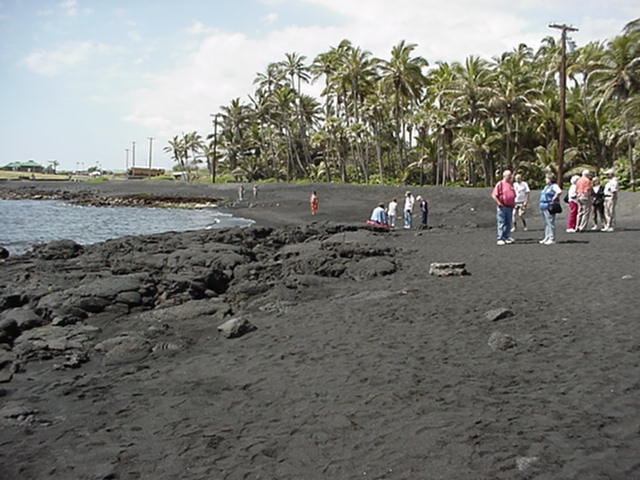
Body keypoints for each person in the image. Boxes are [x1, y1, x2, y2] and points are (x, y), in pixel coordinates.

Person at [491, 170, 516, 245]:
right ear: (505, 176)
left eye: (511, 175)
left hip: (510, 206)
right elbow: (494, 195)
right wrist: (499, 203)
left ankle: (506, 236)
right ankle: (500, 238)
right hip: (503, 206)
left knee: (508, 222)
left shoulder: (511, 185)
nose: (511, 177)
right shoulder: (500, 184)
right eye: (509, 175)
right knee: (501, 222)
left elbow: (513, 194)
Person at [539, 173, 562, 245]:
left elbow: (559, 191)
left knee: (550, 222)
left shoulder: (554, 186)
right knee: (546, 223)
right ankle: (547, 236)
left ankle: (552, 238)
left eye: (547, 178)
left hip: (549, 206)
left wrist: (554, 197)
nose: (545, 180)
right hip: (543, 206)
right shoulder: (546, 187)